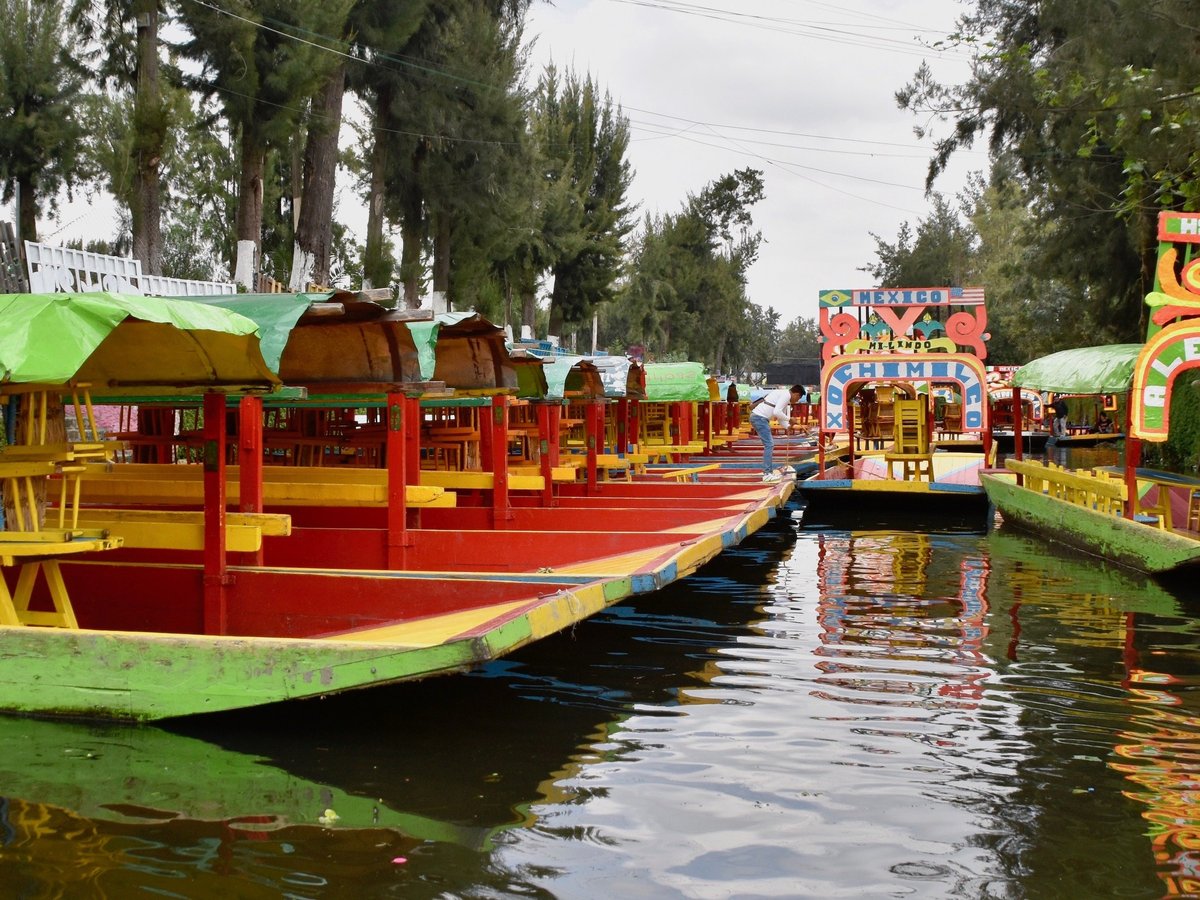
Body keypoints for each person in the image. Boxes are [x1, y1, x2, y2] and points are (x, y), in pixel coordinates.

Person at [751, 384, 803, 483]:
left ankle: (768, 473)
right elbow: (776, 412)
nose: (797, 401)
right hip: (759, 418)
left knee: (769, 444)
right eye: (798, 398)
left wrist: (787, 426)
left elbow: (779, 417)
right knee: (769, 445)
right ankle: (767, 474)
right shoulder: (786, 395)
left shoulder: (784, 396)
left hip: (759, 417)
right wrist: (790, 419)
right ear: (796, 394)